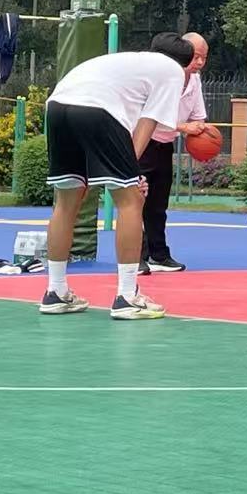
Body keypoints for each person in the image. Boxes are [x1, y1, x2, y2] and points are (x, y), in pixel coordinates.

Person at [37, 33, 195, 320]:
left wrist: (128, 171)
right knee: (130, 200)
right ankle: (127, 296)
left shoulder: (129, 63)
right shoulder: (173, 70)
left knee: (66, 202)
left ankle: (55, 291)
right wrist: (132, 174)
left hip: (57, 106)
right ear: (185, 65)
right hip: (98, 110)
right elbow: (148, 122)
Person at [139, 32, 209, 274]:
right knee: (137, 201)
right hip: (142, 142)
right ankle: (136, 256)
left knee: (158, 204)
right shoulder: (162, 78)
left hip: (165, 145)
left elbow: (198, 117)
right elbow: (150, 116)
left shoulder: (195, 82)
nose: (199, 62)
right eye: (196, 56)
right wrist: (184, 127)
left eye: (204, 57)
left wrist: (202, 135)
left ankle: (158, 254)